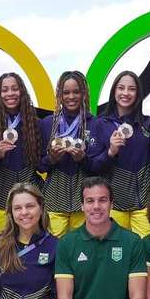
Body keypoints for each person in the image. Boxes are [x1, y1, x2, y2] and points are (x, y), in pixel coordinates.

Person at [87, 70, 150, 237]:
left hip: (144, 203)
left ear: (138, 93)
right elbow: (92, 166)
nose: (126, 93)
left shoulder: (147, 123)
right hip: (114, 203)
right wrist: (111, 151)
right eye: (121, 88)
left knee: (145, 250)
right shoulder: (100, 123)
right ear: (114, 91)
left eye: (131, 89)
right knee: (115, 252)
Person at [0, 72, 43, 236]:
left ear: (22, 92)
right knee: (1, 247)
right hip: (0, 199)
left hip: (29, 199)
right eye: (5, 90)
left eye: (15, 89)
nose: (10, 94)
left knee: (30, 244)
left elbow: (42, 164)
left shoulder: (35, 123)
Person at [39, 70, 97, 237]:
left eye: (76, 92)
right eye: (66, 92)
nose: (71, 97)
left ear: (84, 93)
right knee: (54, 250)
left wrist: (82, 159)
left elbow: (99, 166)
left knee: (83, 249)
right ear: (59, 95)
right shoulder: (47, 123)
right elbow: (38, 164)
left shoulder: (95, 123)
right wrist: (52, 158)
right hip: (54, 198)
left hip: (84, 198)